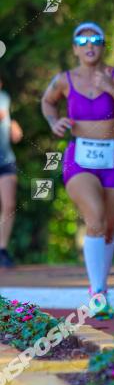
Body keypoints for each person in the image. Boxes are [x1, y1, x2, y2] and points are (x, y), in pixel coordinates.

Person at [41, 22, 114, 320]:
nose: (89, 45)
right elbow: (48, 102)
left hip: (113, 158)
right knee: (96, 217)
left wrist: (111, 89)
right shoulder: (64, 80)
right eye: (83, 41)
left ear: (103, 46)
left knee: (108, 229)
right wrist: (53, 122)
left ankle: (101, 290)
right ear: (75, 48)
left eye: (96, 40)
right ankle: (97, 291)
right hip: (80, 158)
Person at [0, 78, 23, 268]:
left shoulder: (4, 97)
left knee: (9, 204)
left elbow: (5, 118)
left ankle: (2, 249)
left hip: (6, 159)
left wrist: (12, 125)